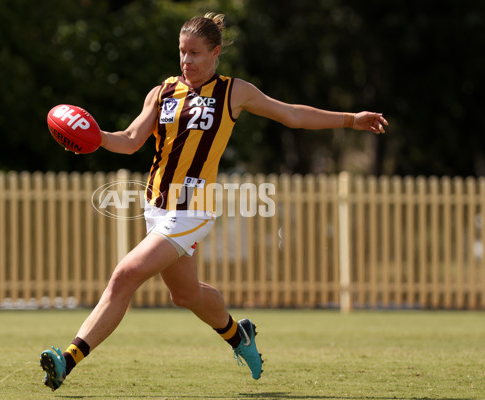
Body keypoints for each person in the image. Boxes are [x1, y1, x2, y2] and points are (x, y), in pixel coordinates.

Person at [40, 13, 387, 390]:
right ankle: (239, 335)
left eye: (194, 53)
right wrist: (95, 137)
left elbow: (291, 115)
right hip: (156, 206)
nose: (186, 61)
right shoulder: (162, 92)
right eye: (181, 52)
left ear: (216, 52)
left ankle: (68, 358)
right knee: (185, 294)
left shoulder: (234, 92)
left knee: (125, 275)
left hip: (194, 207)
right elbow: (130, 139)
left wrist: (351, 119)